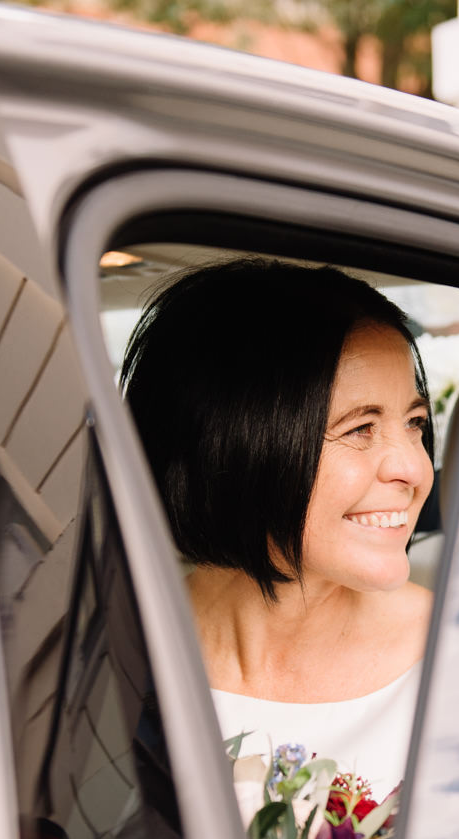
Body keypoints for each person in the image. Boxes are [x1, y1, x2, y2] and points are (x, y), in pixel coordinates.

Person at [120, 258, 434, 800]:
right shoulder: (115, 656)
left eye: (415, 424)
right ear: (239, 444)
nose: (412, 468)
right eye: (360, 429)